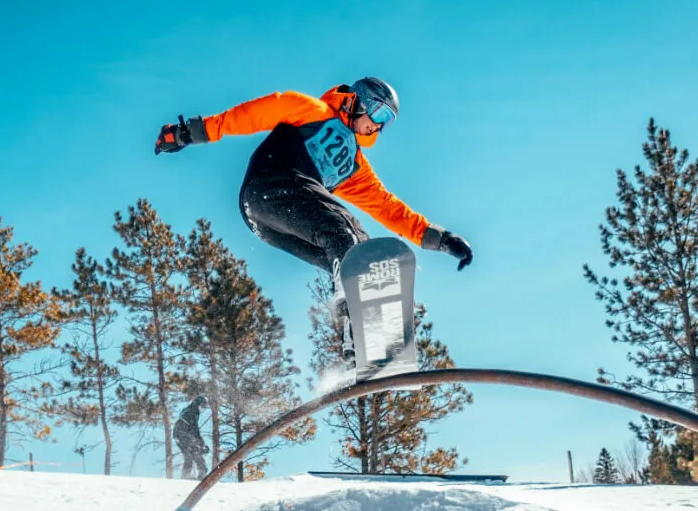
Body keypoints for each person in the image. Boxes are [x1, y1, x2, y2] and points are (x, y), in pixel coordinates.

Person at [154, 78, 473, 362]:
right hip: (269, 184)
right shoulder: (312, 110)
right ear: (358, 101)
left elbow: (388, 207)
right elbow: (252, 115)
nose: (377, 127)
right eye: (378, 114)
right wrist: (191, 132)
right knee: (344, 230)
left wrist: (440, 238)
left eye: (386, 122)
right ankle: (354, 309)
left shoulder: (354, 168)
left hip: (270, 223)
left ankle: (364, 345)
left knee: (360, 251)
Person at [173, 396, 210, 480]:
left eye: (205, 407)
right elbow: (194, 430)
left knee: (194, 455)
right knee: (191, 455)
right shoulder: (191, 412)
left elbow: (195, 430)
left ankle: (199, 475)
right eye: (202, 406)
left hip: (184, 435)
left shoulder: (193, 411)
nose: (203, 409)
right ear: (197, 404)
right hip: (181, 436)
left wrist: (202, 444)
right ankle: (188, 477)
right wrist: (201, 444)